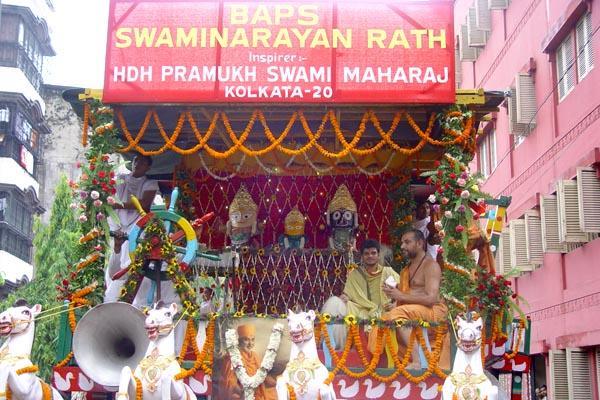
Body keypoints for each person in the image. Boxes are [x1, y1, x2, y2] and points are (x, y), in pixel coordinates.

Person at [369, 228, 449, 369]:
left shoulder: (431, 266)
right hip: (415, 311)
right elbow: (409, 293)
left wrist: (400, 295)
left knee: (397, 314)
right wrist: (394, 292)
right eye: (402, 243)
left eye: (407, 242)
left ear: (420, 243)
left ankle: (417, 361)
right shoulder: (406, 270)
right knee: (385, 319)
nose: (402, 246)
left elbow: (431, 298)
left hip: (433, 311)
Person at [321, 239, 400, 349]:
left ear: (378, 255)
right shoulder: (355, 274)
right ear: (362, 256)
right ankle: (335, 345)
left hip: (384, 310)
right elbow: (348, 294)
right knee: (334, 303)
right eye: (366, 254)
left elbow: (403, 291)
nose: (370, 256)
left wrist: (396, 304)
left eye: (373, 253)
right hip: (361, 309)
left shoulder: (388, 272)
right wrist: (343, 299)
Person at [106, 153, 159, 302]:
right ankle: (113, 291)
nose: (137, 164)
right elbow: (108, 194)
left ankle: (130, 292)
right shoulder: (121, 178)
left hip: (136, 225)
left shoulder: (150, 183)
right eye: (136, 161)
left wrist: (118, 204)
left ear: (148, 167)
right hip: (117, 223)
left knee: (131, 259)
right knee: (115, 254)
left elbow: (145, 204)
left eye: (142, 163)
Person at [218, 324, 277, 400]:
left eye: (252, 340)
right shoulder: (232, 357)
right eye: (246, 340)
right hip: (241, 393)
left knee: (275, 391)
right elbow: (229, 383)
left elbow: (262, 376)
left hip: (257, 391)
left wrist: (276, 379)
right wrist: (246, 392)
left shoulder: (255, 355)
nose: (250, 343)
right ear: (239, 341)